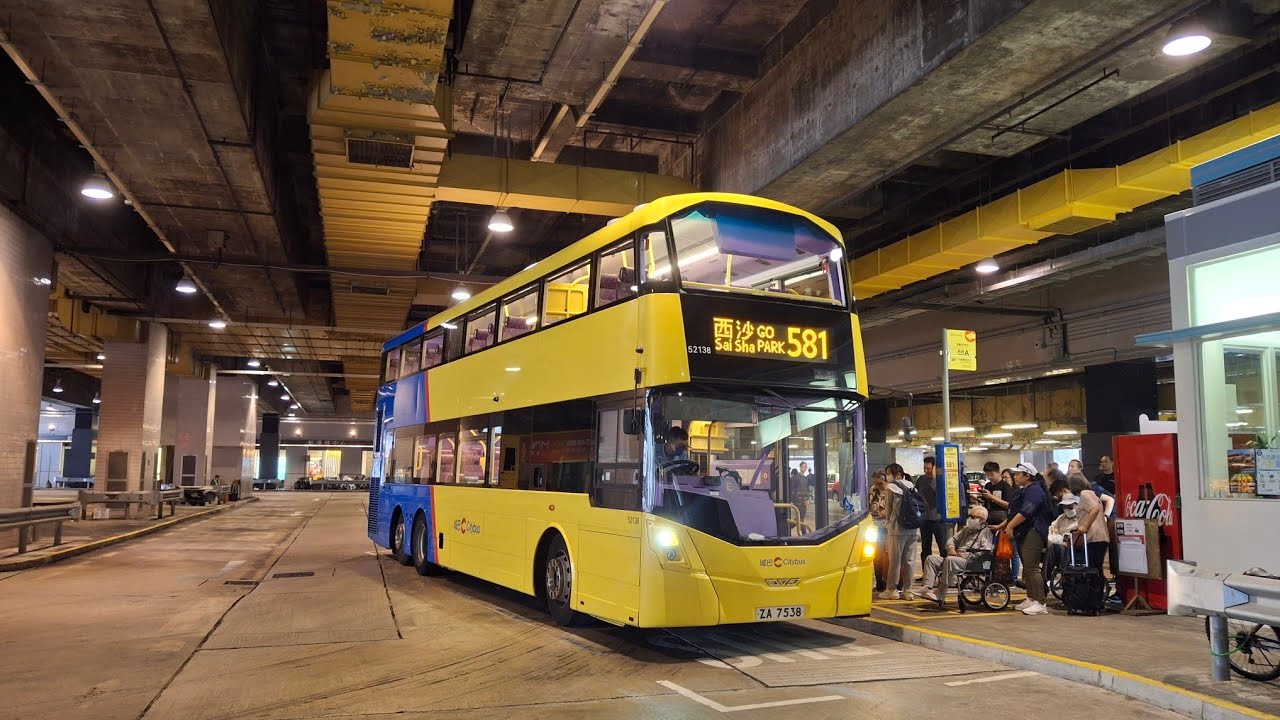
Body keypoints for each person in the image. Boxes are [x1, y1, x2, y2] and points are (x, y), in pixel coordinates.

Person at [994, 462, 1052, 616]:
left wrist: (1010, 527)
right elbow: (1015, 511)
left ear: (1027, 476)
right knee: (1027, 566)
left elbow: (1026, 511)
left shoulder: (1035, 491)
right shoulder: (1024, 490)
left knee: (1032, 567)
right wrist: (1003, 526)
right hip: (1024, 531)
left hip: (1034, 530)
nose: (1016, 476)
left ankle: (1040, 602)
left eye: (1019, 474)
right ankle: (1031, 598)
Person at [920, 506, 994, 605]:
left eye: (973, 517)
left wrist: (965, 555)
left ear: (982, 520)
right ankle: (926, 586)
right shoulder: (966, 530)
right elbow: (952, 539)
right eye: (970, 516)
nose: (970, 519)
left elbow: (985, 551)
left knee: (950, 560)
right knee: (931, 559)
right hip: (957, 557)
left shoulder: (986, 532)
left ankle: (940, 593)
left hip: (970, 561)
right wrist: (951, 548)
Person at [880, 463, 919, 600]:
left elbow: (889, 511)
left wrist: (887, 524)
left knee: (895, 560)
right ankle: (908, 590)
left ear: (894, 473)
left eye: (888, 473)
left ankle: (892, 590)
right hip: (913, 529)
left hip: (897, 528)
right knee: (910, 560)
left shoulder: (890, 488)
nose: (887, 476)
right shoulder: (911, 485)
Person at [1067, 473, 1110, 570]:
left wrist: (1084, 526)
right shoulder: (1092, 494)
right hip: (1101, 536)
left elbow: (1095, 509)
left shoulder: (1084, 494)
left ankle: (1094, 585)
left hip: (1094, 536)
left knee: (1093, 568)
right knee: (1097, 568)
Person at [1045, 493, 1082, 595]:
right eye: (1065, 506)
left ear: (1076, 504)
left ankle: (1060, 576)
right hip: (1059, 547)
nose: (1067, 508)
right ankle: (1044, 579)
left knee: (1055, 548)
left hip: (1075, 548)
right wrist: (1054, 531)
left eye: (1070, 506)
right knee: (1052, 548)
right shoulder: (1061, 518)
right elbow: (1052, 528)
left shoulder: (1082, 518)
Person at [916, 456, 945, 574]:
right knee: (925, 549)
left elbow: (937, 492)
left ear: (934, 468)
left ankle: (945, 573)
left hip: (938, 519)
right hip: (925, 519)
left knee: (943, 548)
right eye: (924, 468)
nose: (926, 471)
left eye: (928, 468)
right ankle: (927, 574)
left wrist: (934, 477)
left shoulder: (940, 480)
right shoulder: (921, 480)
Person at [869, 470, 890, 592]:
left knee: (887, 556)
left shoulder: (891, 491)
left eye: (880, 483)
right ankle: (879, 583)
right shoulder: (873, 490)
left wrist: (886, 512)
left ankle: (890, 582)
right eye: (876, 483)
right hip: (874, 526)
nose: (878, 486)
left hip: (888, 527)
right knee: (876, 555)